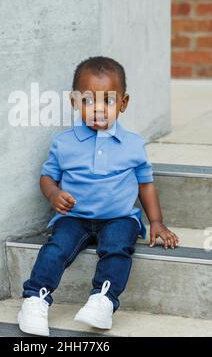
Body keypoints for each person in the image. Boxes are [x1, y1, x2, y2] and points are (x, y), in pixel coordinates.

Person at [18, 56, 179, 336]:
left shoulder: (133, 144)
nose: (98, 110)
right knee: (56, 248)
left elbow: (145, 184)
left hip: (120, 218)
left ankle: (103, 300)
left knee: (117, 249)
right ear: (74, 101)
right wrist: (53, 193)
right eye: (88, 101)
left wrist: (156, 222)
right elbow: (47, 177)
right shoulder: (64, 142)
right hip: (74, 217)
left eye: (108, 101)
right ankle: (35, 299)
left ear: (123, 104)